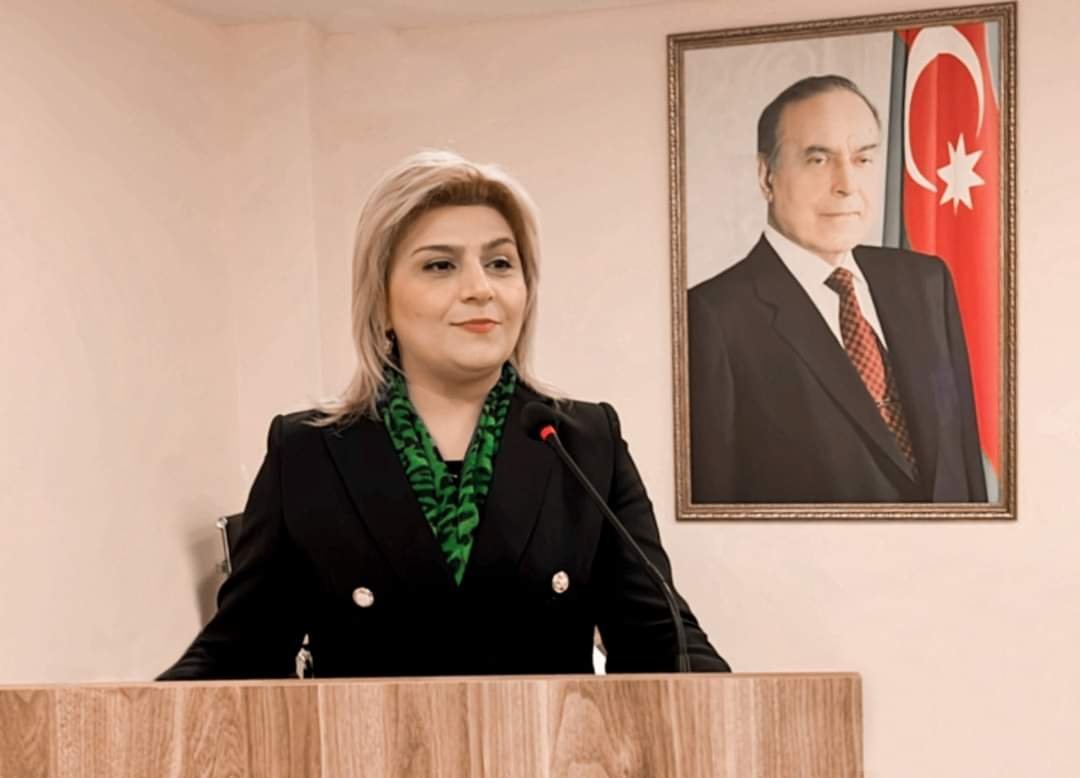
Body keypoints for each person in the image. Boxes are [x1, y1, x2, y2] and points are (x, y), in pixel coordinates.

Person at [159, 150, 728, 679]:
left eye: (500, 263)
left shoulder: (584, 443)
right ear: (381, 300)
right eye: (439, 266)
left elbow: (665, 642)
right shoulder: (307, 452)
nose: (480, 289)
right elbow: (236, 655)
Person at [687, 75, 988, 503]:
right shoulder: (711, 317)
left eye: (862, 159)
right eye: (818, 160)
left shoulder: (926, 283)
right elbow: (712, 508)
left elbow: (964, 463)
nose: (847, 183)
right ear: (766, 176)